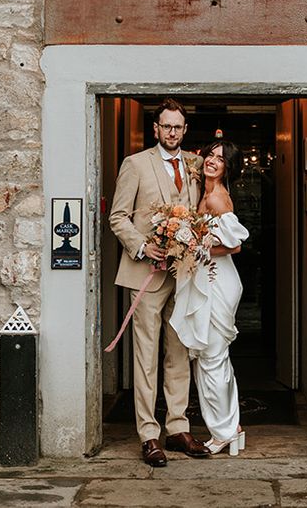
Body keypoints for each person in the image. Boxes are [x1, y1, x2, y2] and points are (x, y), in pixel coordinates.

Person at [108, 98, 210, 467]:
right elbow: (117, 217)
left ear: (185, 130)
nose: (172, 132)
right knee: (146, 357)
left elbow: (201, 214)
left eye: (177, 127)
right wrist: (142, 247)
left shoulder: (196, 165)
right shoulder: (135, 165)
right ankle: (149, 435)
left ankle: (178, 426)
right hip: (146, 276)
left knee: (180, 352)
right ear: (156, 129)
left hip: (184, 276)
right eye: (166, 126)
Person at [169, 139, 249, 456]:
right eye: (210, 155)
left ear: (228, 167)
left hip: (219, 281)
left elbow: (235, 244)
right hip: (210, 277)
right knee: (215, 358)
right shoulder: (204, 192)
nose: (213, 161)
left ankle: (222, 433)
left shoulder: (218, 199)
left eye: (220, 158)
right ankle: (234, 427)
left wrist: (193, 248)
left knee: (211, 359)